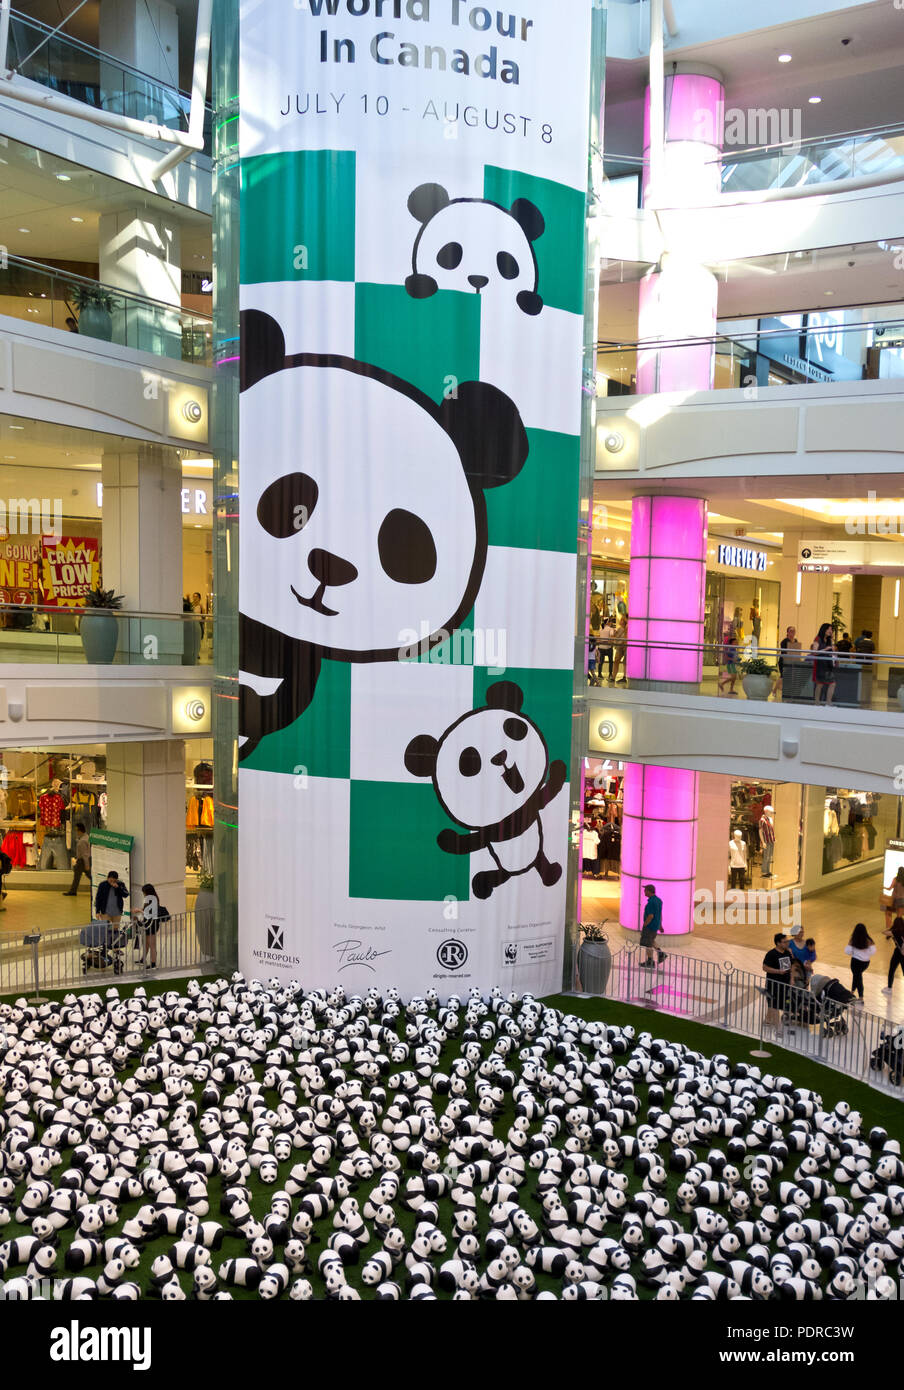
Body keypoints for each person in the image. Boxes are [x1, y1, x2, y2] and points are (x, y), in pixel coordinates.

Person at [762, 931, 792, 1031]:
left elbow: (790, 967)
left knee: (775, 1004)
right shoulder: (771, 954)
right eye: (784, 942)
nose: (787, 943)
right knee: (774, 1004)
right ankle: (778, 1027)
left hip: (785, 984)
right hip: (773, 984)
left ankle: (767, 1020)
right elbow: (765, 968)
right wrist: (778, 971)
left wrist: (791, 979)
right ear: (778, 943)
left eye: (787, 941)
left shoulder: (787, 953)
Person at [844, 922, 876, 1001]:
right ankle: (852, 992)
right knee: (857, 976)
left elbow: (847, 951)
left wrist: (854, 951)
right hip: (865, 963)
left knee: (858, 977)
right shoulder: (869, 940)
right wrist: (866, 954)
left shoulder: (853, 940)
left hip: (855, 962)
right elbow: (873, 951)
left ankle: (861, 997)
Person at [639, 884, 666, 969]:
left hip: (650, 926)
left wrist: (644, 925)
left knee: (648, 943)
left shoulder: (651, 902)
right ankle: (661, 954)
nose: (644, 892)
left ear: (649, 891)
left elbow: (650, 916)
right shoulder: (659, 900)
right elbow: (659, 914)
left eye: (645, 890)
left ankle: (650, 961)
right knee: (651, 940)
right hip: (656, 925)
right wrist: (660, 925)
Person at [810, 622, 837, 705]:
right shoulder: (817, 639)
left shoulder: (828, 640)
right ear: (824, 629)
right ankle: (817, 703)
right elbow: (814, 652)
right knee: (820, 684)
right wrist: (825, 649)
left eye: (831, 629)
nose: (830, 631)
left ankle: (828, 703)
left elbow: (831, 652)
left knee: (832, 683)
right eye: (829, 629)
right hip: (820, 665)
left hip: (827, 665)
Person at [62, 821, 91, 896]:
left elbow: (85, 854)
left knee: (78, 877)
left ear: (80, 830)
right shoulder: (86, 837)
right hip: (84, 861)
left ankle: (73, 891)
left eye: (76, 830)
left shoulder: (82, 841)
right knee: (86, 876)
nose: (76, 832)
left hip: (82, 861)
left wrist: (86, 864)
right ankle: (73, 891)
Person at [139, 883, 161, 969]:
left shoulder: (151, 900)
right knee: (147, 943)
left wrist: (139, 910)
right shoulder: (153, 899)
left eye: (144, 892)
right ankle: (143, 959)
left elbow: (148, 913)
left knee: (151, 944)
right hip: (149, 924)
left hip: (151, 925)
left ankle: (153, 963)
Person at [882, 914, 904, 994]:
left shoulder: (894, 932)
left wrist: (891, 927)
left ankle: (889, 988)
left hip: (898, 953)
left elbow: (884, 932)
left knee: (892, 969)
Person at [718, 620, 739, 694]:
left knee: (734, 677)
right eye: (735, 642)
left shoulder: (734, 649)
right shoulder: (730, 649)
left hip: (733, 664)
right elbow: (726, 657)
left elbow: (735, 657)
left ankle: (731, 689)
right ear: (732, 643)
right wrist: (732, 659)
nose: (737, 643)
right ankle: (722, 684)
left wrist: (737, 660)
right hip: (730, 665)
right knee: (733, 677)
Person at [597, 613, 616, 681]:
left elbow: (598, 638)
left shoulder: (601, 628)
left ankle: (599, 674)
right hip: (608, 648)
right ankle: (610, 674)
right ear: (609, 622)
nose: (611, 623)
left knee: (601, 661)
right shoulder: (610, 629)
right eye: (611, 622)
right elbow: (611, 637)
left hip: (601, 647)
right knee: (610, 661)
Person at [611, 614, 628, 684]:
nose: (620, 621)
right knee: (616, 660)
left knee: (625, 662)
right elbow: (615, 637)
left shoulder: (628, 628)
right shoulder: (619, 628)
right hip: (620, 646)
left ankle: (624, 677)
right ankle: (613, 677)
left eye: (622, 619)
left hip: (626, 646)